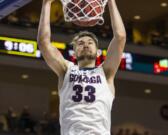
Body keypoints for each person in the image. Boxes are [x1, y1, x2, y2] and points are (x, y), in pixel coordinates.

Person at [37, 0, 126, 134]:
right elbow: (44, 43)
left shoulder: (106, 72)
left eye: (90, 42)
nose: (85, 45)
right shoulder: (66, 70)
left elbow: (120, 37)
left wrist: (111, 2)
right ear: (74, 52)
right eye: (80, 43)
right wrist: (46, 4)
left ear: (97, 52)